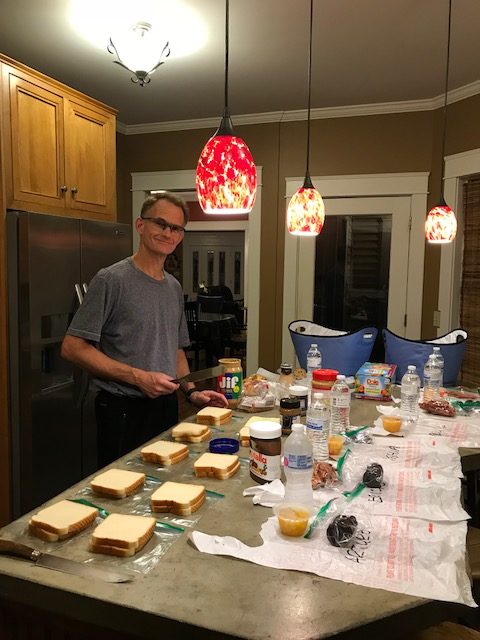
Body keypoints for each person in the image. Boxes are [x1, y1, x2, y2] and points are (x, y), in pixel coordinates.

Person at [61, 192, 228, 468]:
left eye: (175, 228)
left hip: (164, 407)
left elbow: (175, 350)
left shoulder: (173, 288)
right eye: (160, 223)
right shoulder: (111, 279)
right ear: (141, 225)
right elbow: (72, 346)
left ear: (181, 236)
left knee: (162, 482)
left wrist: (191, 391)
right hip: (121, 408)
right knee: (121, 495)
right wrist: (137, 377)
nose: (167, 233)